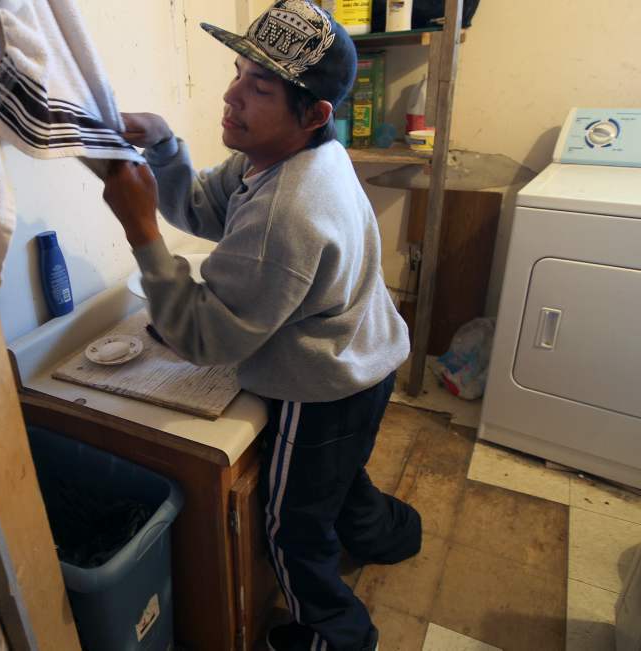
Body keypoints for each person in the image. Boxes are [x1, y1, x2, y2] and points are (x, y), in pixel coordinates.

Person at [101, 2, 421, 649]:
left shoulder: (287, 208)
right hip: (369, 354)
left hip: (326, 385)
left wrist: (139, 229)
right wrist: (162, 141)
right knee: (339, 476)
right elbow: (201, 206)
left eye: (259, 87)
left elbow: (204, 340)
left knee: (290, 524)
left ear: (313, 114)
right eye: (239, 71)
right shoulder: (275, 156)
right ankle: (391, 533)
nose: (231, 95)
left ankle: (338, 635)